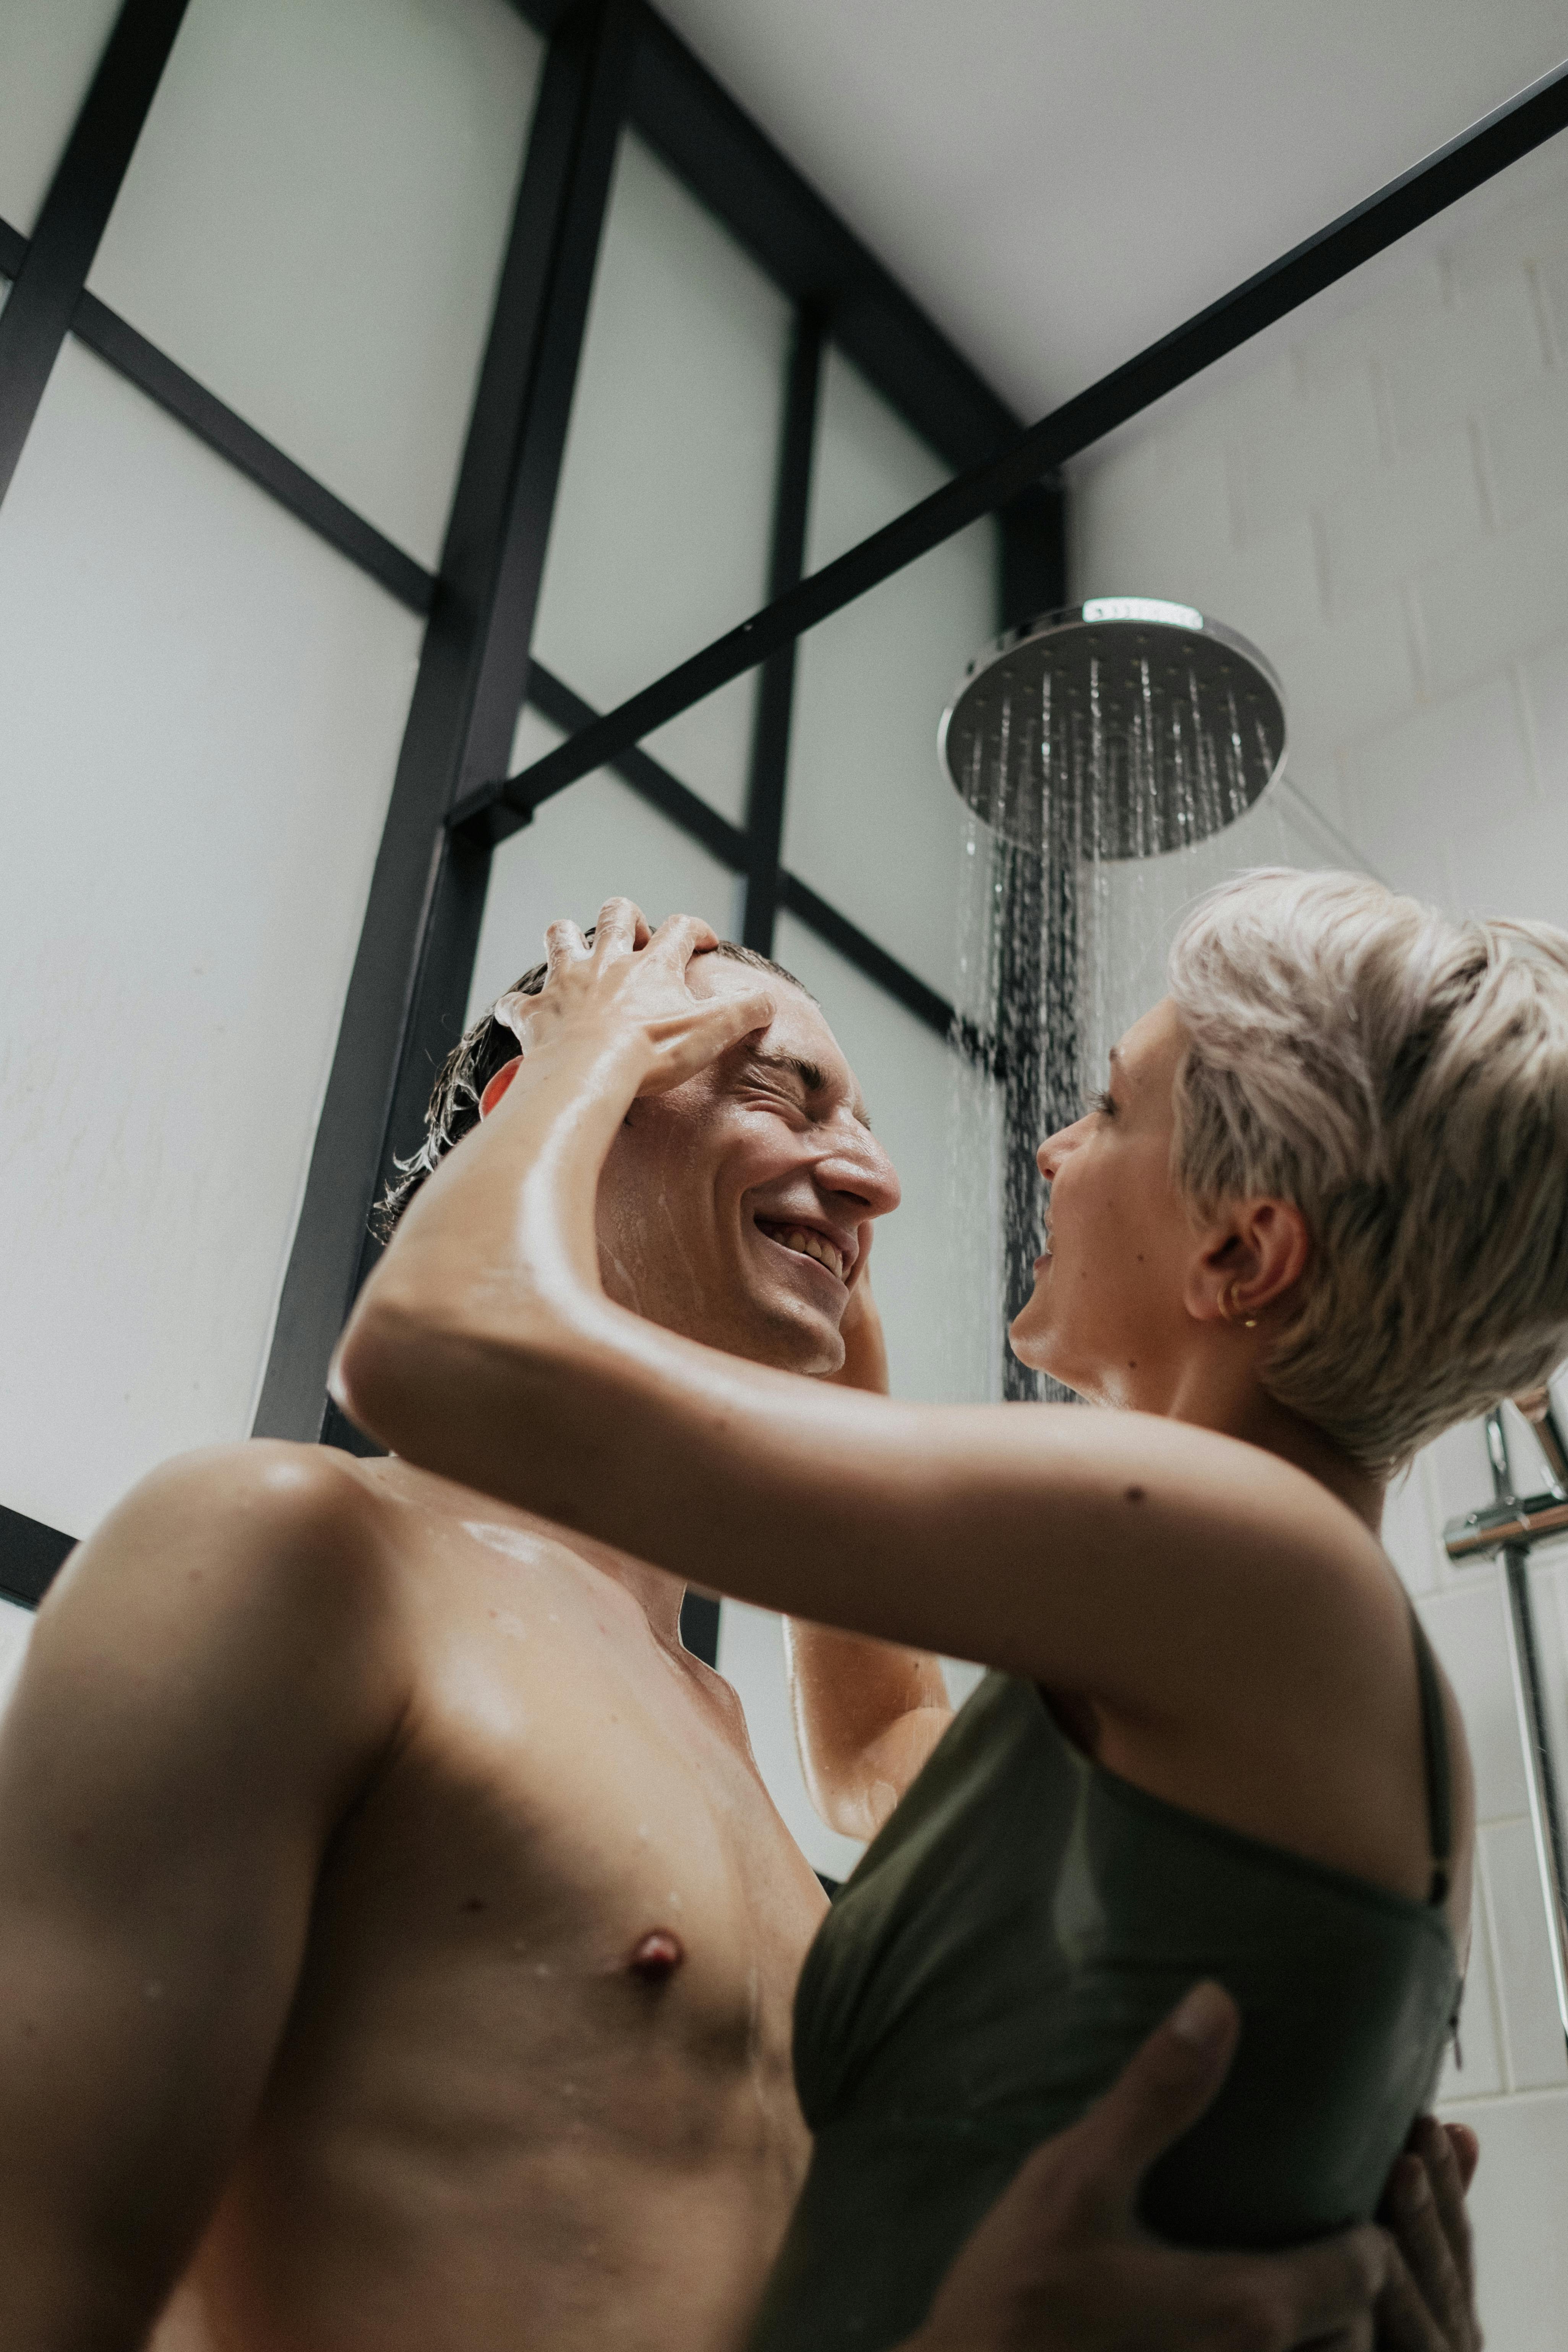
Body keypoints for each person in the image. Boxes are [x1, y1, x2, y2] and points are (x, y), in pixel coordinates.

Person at [0, 932, 1468, 2352]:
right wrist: (581, 1055)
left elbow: (895, 1747)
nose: (881, 1181)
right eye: (784, 1094)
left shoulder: (719, 1725)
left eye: (871, 1133)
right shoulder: (280, 1548)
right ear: (556, 1101)